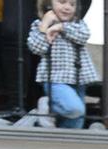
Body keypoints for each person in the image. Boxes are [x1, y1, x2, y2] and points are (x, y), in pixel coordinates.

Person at [28, 0, 97, 130]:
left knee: (75, 123)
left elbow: (84, 35)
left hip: (78, 79)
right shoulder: (40, 24)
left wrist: (60, 27)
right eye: (62, 2)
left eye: (72, 4)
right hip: (55, 79)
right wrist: (45, 25)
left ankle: (65, 145)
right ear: (49, 4)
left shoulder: (77, 24)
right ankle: (47, 105)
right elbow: (36, 48)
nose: (67, 7)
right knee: (75, 109)